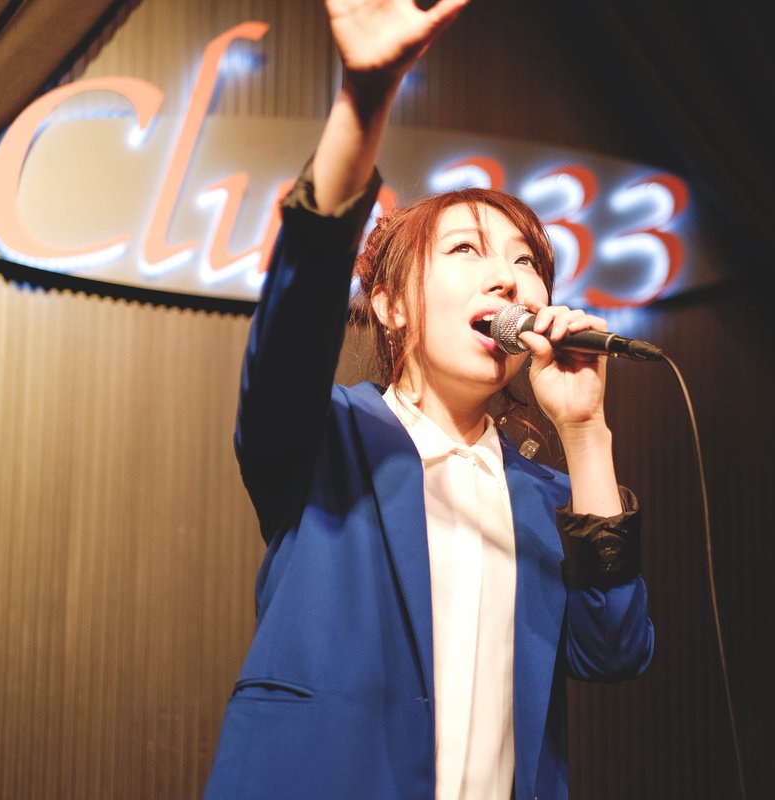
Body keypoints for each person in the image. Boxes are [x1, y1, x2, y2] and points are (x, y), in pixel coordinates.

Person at [203, 1, 654, 798]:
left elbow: (613, 649)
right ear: (389, 305)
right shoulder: (329, 441)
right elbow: (296, 315)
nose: (508, 277)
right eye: (467, 249)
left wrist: (586, 431)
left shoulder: (544, 496)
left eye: (526, 261)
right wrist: (365, 100)